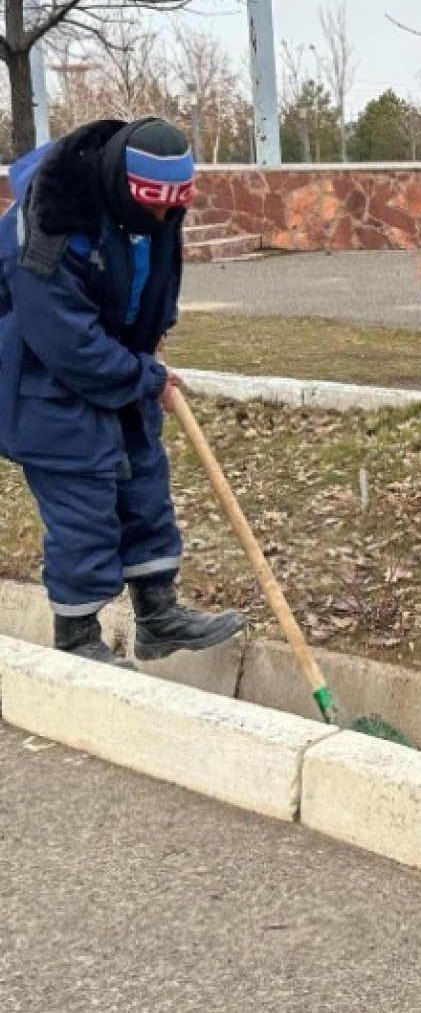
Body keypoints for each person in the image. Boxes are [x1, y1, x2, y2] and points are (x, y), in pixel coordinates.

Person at [0, 117, 245, 669]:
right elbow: (65, 340)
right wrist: (143, 376)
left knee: (143, 487)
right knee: (84, 511)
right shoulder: (51, 219)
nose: (163, 220)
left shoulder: (157, 208)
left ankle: (157, 617)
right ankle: (78, 642)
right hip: (45, 384)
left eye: (171, 211)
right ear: (120, 186)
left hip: (119, 364)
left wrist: (158, 328)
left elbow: (158, 276)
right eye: (154, 210)